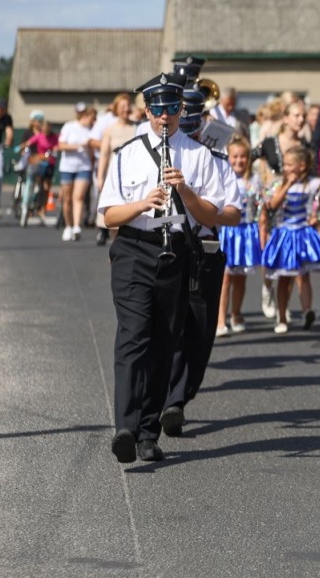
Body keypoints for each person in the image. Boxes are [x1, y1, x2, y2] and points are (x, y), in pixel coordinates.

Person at [97, 71, 224, 463]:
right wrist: (142, 203)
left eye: (171, 108)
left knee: (163, 341)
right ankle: (125, 426)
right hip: (135, 248)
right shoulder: (128, 153)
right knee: (133, 337)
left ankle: (148, 432)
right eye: (157, 109)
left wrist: (184, 190)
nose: (164, 117)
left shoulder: (200, 156)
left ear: (181, 109)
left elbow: (212, 216)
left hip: (177, 253)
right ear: (147, 111)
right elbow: (107, 216)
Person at [159, 84, 242, 437]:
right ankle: (169, 401)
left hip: (204, 249)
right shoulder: (156, 153)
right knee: (168, 328)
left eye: (195, 117)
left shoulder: (218, 162)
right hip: (166, 246)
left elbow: (234, 214)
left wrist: (203, 208)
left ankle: (182, 394)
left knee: (200, 331)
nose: (190, 122)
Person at [260, 145, 320, 333]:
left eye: (291, 165)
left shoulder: (314, 184)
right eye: (286, 164)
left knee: (303, 275)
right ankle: (282, 317)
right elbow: (272, 205)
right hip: (284, 233)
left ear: (302, 165)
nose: (287, 168)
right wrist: (287, 185)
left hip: (302, 233)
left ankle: (307, 310)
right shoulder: (277, 184)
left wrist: (317, 217)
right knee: (284, 278)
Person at [252, 101, 311, 322]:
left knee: (289, 256)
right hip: (272, 197)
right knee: (270, 248)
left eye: (303, 116)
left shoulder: (305, 143)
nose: (301, 120)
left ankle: (285, 309)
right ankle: (268, 288)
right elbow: (250, 156)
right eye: (296, 115)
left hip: (294, 201)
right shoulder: (270, 142)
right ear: (285, 118)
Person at [218, 137, 263, 335]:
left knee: (240, 278)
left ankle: (236, 313)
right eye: (234, 156)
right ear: (228, 157)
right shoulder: (222, 178)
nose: (239, 160)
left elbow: (260, 209)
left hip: (246, 232)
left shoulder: (254, 180)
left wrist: (262, 233)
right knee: (225, 277)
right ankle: (220, 319)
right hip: (227, 232)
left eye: (243, 156)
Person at [96, 94, 137, 245]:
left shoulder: (137, 127)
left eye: (127, 107)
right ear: (116, 109)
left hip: (134, 175)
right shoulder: (110, 130)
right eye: (122, 107)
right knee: (114, 215)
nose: (126, 110)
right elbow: (104, 155)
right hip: (115, 176)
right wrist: (100, 178)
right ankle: (116, 246)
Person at [57, 103, 96, 241]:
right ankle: (68, 226)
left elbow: (93, 150)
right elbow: (61, 145)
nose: (92, 121)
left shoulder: (91, 130)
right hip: (68, 167)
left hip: (83, 167)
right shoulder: (69, 127)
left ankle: (76, 226)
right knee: (67, 199)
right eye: (91, 118)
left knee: (78, 197)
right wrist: (78, 146)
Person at [0, 100, 14, 214]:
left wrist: (8, 141)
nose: (1, 111)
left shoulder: (6, 118)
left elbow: (9, 132)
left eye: (4, 109)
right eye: (0, 108)